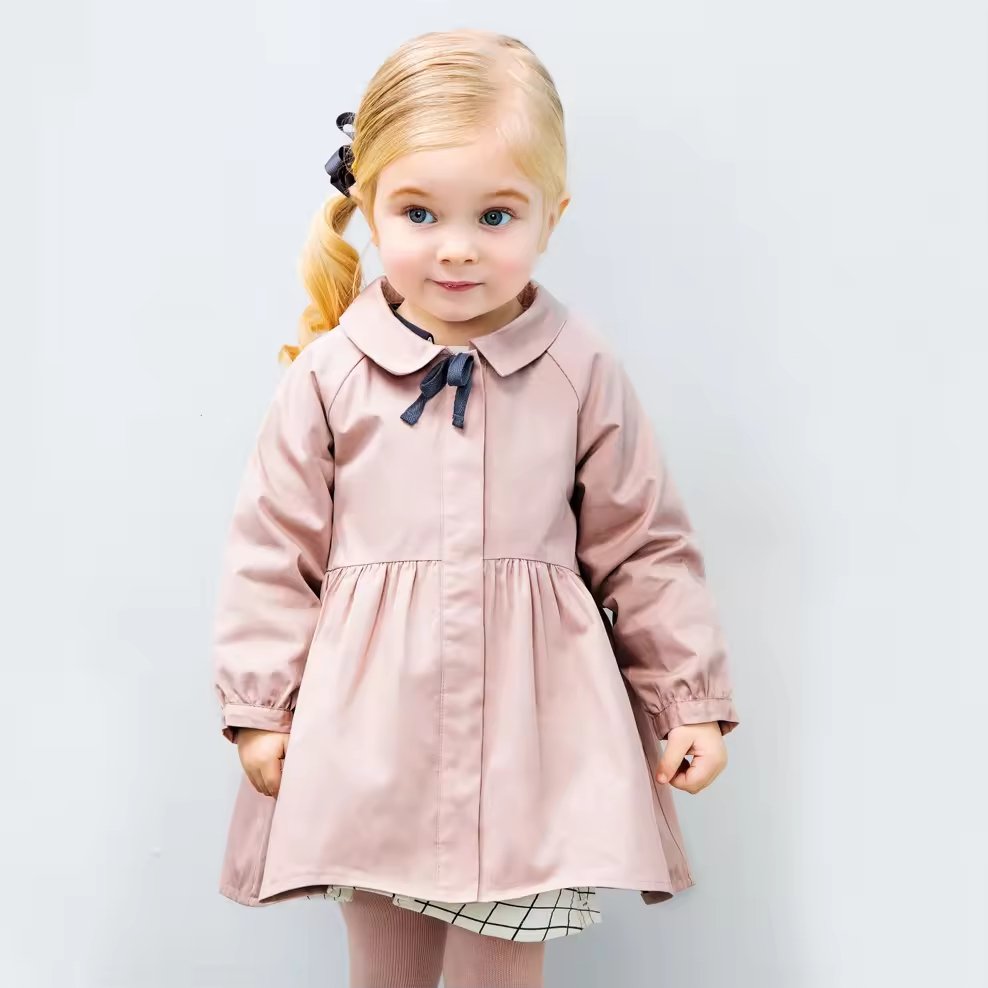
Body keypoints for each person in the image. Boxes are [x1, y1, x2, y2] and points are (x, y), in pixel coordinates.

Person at [211, 28, 740, 988]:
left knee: (503, 970)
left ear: (551, 215)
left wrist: (685, 699)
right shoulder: (330, 376)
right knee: (386, 972)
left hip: (530, 744)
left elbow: (643, 545)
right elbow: (272, 553)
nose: (456, 248)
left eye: (496, 216)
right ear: (370, 205)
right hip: (368, 735)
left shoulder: (578, 367)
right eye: (419, 212)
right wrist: (262, 708)